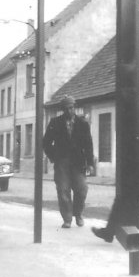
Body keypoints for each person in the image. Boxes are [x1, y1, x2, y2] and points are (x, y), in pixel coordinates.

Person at [92, 84, 139, 250]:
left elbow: (126, 146)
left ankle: (109, 232)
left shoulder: (131, 118)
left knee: (121, 199)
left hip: (135, 168)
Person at [42, 95, 95, 229]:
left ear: (75, 108)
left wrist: (90, 163)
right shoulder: (55, 123)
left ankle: (78, 214)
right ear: (62, 110)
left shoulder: (83, 124)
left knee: (82, 189)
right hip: (62, 163)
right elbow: (46, 142)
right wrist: (55, 156)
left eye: (71, 108)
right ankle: (67, 218)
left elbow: (88, 144)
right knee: (63, 190)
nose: (69, 111)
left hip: (78, 163)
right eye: (66, 109)